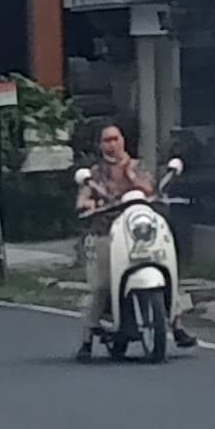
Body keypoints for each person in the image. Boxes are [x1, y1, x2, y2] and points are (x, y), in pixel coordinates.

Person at [75, 122, 197, 361]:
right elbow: (83, 200)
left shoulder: (137, 166)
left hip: (140, 229)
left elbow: (150, 189)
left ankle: (177, 324)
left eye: (115, 139)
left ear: (123, 141)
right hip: (107, 232)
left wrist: (132, 176)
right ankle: (87, 338)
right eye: (106, 140)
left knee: (169, 268)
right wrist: (89, 204)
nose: (112, 145)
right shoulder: (95, 174)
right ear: (100, 145)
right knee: (101, 285)